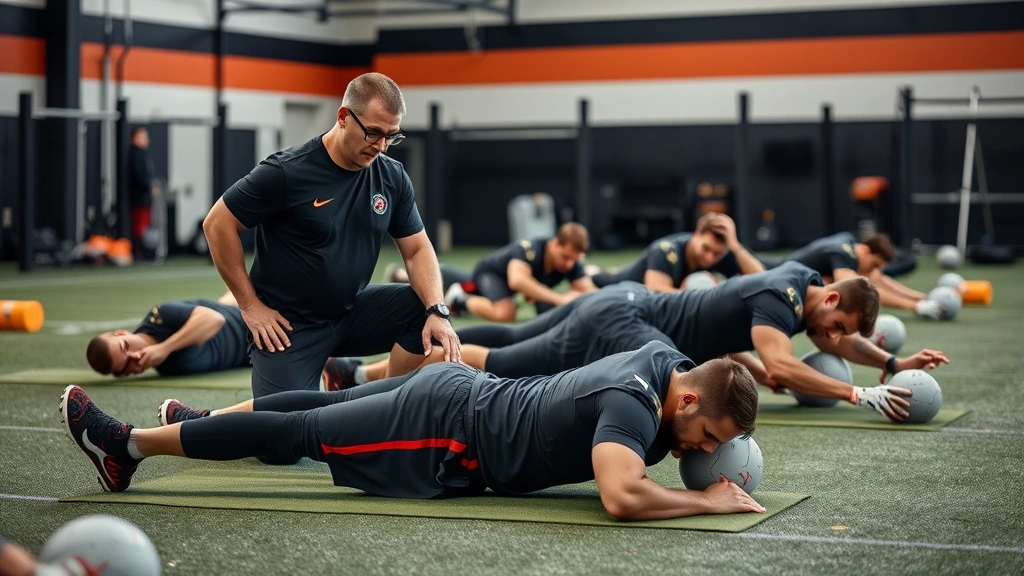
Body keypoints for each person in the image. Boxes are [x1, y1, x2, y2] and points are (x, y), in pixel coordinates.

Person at [60, 341, 765, 521]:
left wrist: (704, 448)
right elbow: (620, 495)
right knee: (297, 434)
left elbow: (673, 435)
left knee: (306, 407)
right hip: (444, 432)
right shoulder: (637, 405)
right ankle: (125, 448)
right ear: (689, 395)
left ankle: (198, 424)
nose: (703, 449)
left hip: (456, 389)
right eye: (708, 432)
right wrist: (704, 500)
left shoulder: (666, 363)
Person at [202, 72, 460, 402]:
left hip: (351, 311)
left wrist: (438, 310)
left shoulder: (392, 177)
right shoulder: (286, 172)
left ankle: (383, 404)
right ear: (343, 117)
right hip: (290, 327)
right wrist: (250, 306)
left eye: (391, 136)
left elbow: (417, 249)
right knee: (282, 442)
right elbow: (218, 224)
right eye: (373, 133)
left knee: (423, 310)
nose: (381, 146)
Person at [451, 262, 948, 421]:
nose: (833, 339)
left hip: (624, 301)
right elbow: (778, 366)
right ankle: (427, 360)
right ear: (833, 299)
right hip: (628, 318)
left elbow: (756, 355)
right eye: (839, 325)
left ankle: (402, 359)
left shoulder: (804, 289)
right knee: (507, 363)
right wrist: (856, 394)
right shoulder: (783, 298)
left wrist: (891, 362)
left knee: (511, 344)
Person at [386, 222, 597, 322]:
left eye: (574, 260)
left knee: (457, 281)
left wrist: (578, 294)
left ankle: (401, 277)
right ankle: (460, 300)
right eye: (566, 258)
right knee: (506, 313)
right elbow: (517, 281)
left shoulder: (571, 262)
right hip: (491, 274)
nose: (569, 265)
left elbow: (588, 290)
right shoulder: (530, 249)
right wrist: (560, 299)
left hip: (500, 286)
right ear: (555, 245)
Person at [85, 291, 249, 378]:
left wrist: (163, 348)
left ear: (121, 333)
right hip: (253, 355)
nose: (134, 355)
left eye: (125, 346)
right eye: (127, 363)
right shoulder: (167, 370)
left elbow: (214, 319)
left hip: (253, 323)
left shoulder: (159, 317)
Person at [783, 232, 942, 319]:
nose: (875, 271)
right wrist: (914, 307)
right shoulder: (842, 255)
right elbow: (863, 293)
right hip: (774, 273)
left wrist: (920, 297)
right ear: (865, 250)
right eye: (874, 265)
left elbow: (878, 279)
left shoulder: (851, 241)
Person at [589, 213, 765, 291]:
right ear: (696, 234)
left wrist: (735, 246)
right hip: (620, 283)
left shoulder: (722, 253)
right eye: (706, 248)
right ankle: (593, 270)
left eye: (717, 253)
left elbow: (763, 280)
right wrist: (705, 295)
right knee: (601, 279)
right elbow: (655, 291)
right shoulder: (666, 250)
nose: (710, 257)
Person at [128, 126, 159, 262]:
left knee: (144, 227)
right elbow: (139, 176)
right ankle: (138, 254)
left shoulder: (143, 155)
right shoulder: (135, 155)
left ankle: (145, 253)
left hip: (144, 199)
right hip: (139, 198)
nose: (147, 140)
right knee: (139, 227)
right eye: (143, 137)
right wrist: (149, 186)